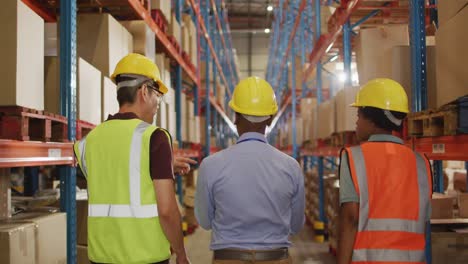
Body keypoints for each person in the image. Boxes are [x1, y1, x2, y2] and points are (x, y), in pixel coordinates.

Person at [74, 53, 195, 264]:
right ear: (144, 91)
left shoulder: (89, 141)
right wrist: (181, 252)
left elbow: (114, 174)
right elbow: (166, 210)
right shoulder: (154, 137)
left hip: (101, 258)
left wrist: (162, 166)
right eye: (157, 93)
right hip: (145, 258)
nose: (158, 102)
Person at [195, 76, 305, 264]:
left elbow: (204, 222)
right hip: (276, 258)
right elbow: (295, 226)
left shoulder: (210, 165)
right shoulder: (291, 167)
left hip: (228, 259)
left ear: (235, 117)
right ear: (270, 120)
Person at [337, 78, 433, 263]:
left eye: (359, 115)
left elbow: (350, 218)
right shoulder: (422, 163)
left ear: (373, 120)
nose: (356, 122)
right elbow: (424, 222)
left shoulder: (354, 157)